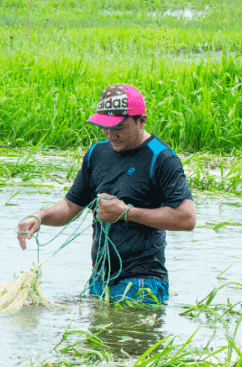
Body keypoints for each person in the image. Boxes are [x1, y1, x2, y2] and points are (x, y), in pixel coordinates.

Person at [16, 84, 196, 304]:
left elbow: (187, 218)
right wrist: (40, 217)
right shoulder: (97, 153)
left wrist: (126, 212)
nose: (111, 135)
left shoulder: (162, 157)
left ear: (141, 121)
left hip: (142, 284)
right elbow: (71, 206)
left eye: (118, 127)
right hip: (99, 280)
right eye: (105, 127)